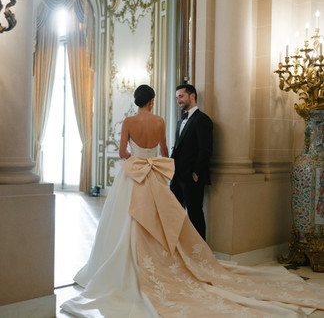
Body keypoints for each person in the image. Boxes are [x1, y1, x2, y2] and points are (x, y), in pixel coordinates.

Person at [61, 84, 324, 318]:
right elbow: (165, 152)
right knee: (161, 217)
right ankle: (173, 261)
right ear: (151, 101)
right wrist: (152, 159)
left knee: (127, 220)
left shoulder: (129, 121)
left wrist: (137, 158)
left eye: (181, 96)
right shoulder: (161, 121)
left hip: (134, 176)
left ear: (136, 101)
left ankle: (127, 264)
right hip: (154, 176)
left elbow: (121, 152)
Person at [170, 84, 213, 240]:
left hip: (192, 178)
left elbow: (205, 150)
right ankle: (179, 250)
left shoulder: (203, 120)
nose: (178, 100)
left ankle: (200, 254)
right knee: (173, 214)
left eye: (181, 96)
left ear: (192, 96)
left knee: (195, 215)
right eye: (177, 98)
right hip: (177, 177)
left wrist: (196, 173)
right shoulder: (181, 120)